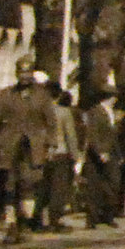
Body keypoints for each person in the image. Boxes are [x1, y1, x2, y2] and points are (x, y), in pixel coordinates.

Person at [0, 57, 66, 244]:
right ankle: (11, 224)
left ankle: (25, 221)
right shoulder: (6, 95)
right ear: (16, 74)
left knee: (29, 184)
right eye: (21, 72)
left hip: (33, 146)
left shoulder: (42, 96)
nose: (24, 76)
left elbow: (51, 122)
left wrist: (51, 145)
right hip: (9, 145)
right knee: (9, 185)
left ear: (32, 74)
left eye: (27, 72)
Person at [78, 85, 124, 229]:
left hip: (111, 154)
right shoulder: (95, 112)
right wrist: (100, 151)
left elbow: (113, 136)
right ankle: (92, 219)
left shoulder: (111, 113)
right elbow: (92, 135)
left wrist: (119, 154)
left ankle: (107, 215)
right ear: (110, 97)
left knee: (113, 185)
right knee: (94, 187)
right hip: (97, 155)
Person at [41, 87, 82, 231]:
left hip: (41, 154)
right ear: (58, 96)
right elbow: (70, 135)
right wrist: (76, 155)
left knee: (44, 187)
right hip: (61, 153)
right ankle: (55, 220)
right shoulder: (64, 112)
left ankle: (39, 219)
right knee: (59, 187)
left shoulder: (39, 112)